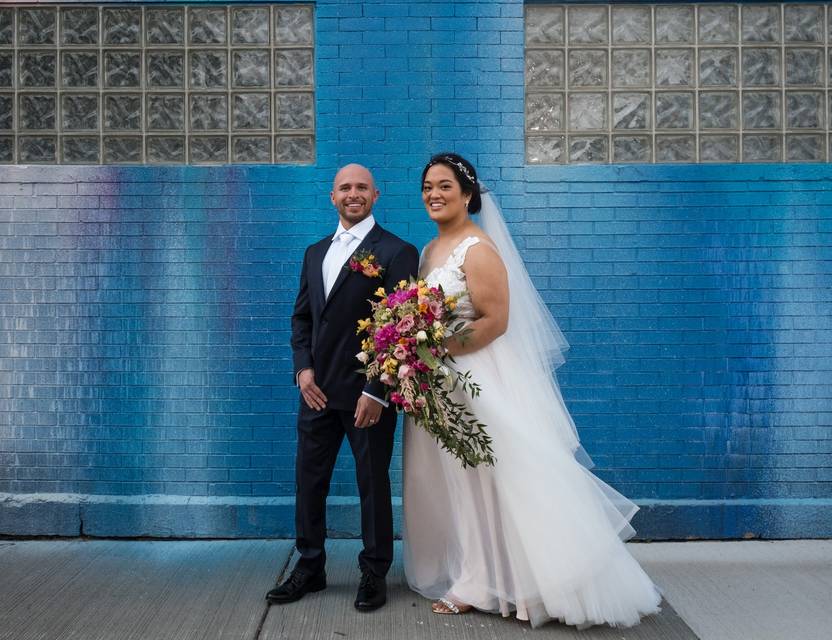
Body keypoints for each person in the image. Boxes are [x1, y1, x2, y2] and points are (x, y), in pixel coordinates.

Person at [402, 153, 662, 628]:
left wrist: (436, 347)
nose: (433, 195)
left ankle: (496, 583)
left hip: (477, 378)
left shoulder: (477, 249)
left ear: (467, 194)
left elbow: (495, 322)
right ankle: (478, 573)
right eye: (426, 187)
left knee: (494, 480)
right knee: (462, 482)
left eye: (443, 186)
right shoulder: (430, 251)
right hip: (441, 381)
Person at [267, 164, 419, 612]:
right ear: (332, 197)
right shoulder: (315, 253)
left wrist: (376, 391)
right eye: (344, 188)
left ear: (377, 194)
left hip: (367, 398)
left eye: (361, 188)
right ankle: (310, 567)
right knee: (308, 482)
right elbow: (303, 319)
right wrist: (302, 371)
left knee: (372, 485)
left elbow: (402, 329)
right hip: (316, 393)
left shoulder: (396, 251)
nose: (353, 194)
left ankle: (374, 573)